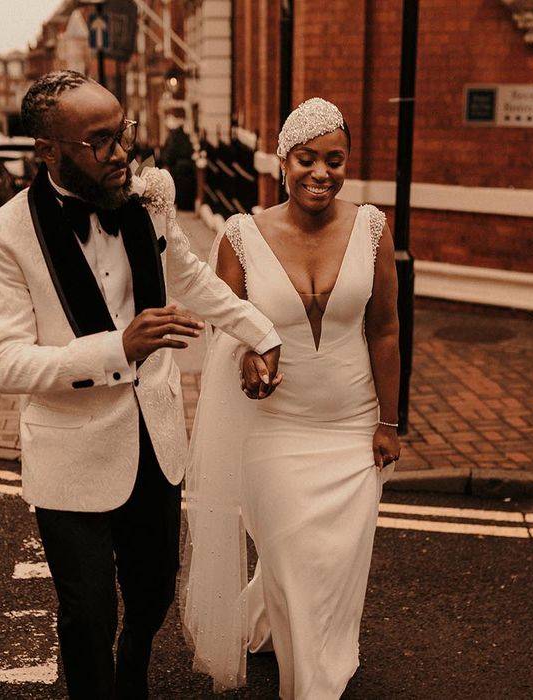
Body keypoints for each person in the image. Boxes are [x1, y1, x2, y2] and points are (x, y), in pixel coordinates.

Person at [0, 70, 281, 699]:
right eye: (101, 141)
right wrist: (119, 348)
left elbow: (192, 279)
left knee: (152, 595)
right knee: (87, 615)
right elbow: (5, 363)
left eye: (124, 133)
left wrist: (261, 332)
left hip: (155, 446)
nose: (122, 152)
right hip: (70, 455)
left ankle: (132, 670)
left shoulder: (148, 204)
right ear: (48, 150)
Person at [182, 97, 401, 698]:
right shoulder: (240, 236)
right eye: (308, 159)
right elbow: (226, 326)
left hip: (351, 425)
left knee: (335, 567)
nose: (322, 173)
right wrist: (250, 355)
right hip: (275, 428)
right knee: (298, 557)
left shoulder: (373, 228)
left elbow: (384, 328)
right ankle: (313, 686)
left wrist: (389, 421)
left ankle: (290, 645)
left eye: (335, 160)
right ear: (283, 161)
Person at [160, 110, 196, 210]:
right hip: (186, 169)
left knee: (178, 189)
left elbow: (169, 153)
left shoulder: (174, 138)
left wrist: (166, 161)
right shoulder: (184, 137)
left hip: (178, 169)